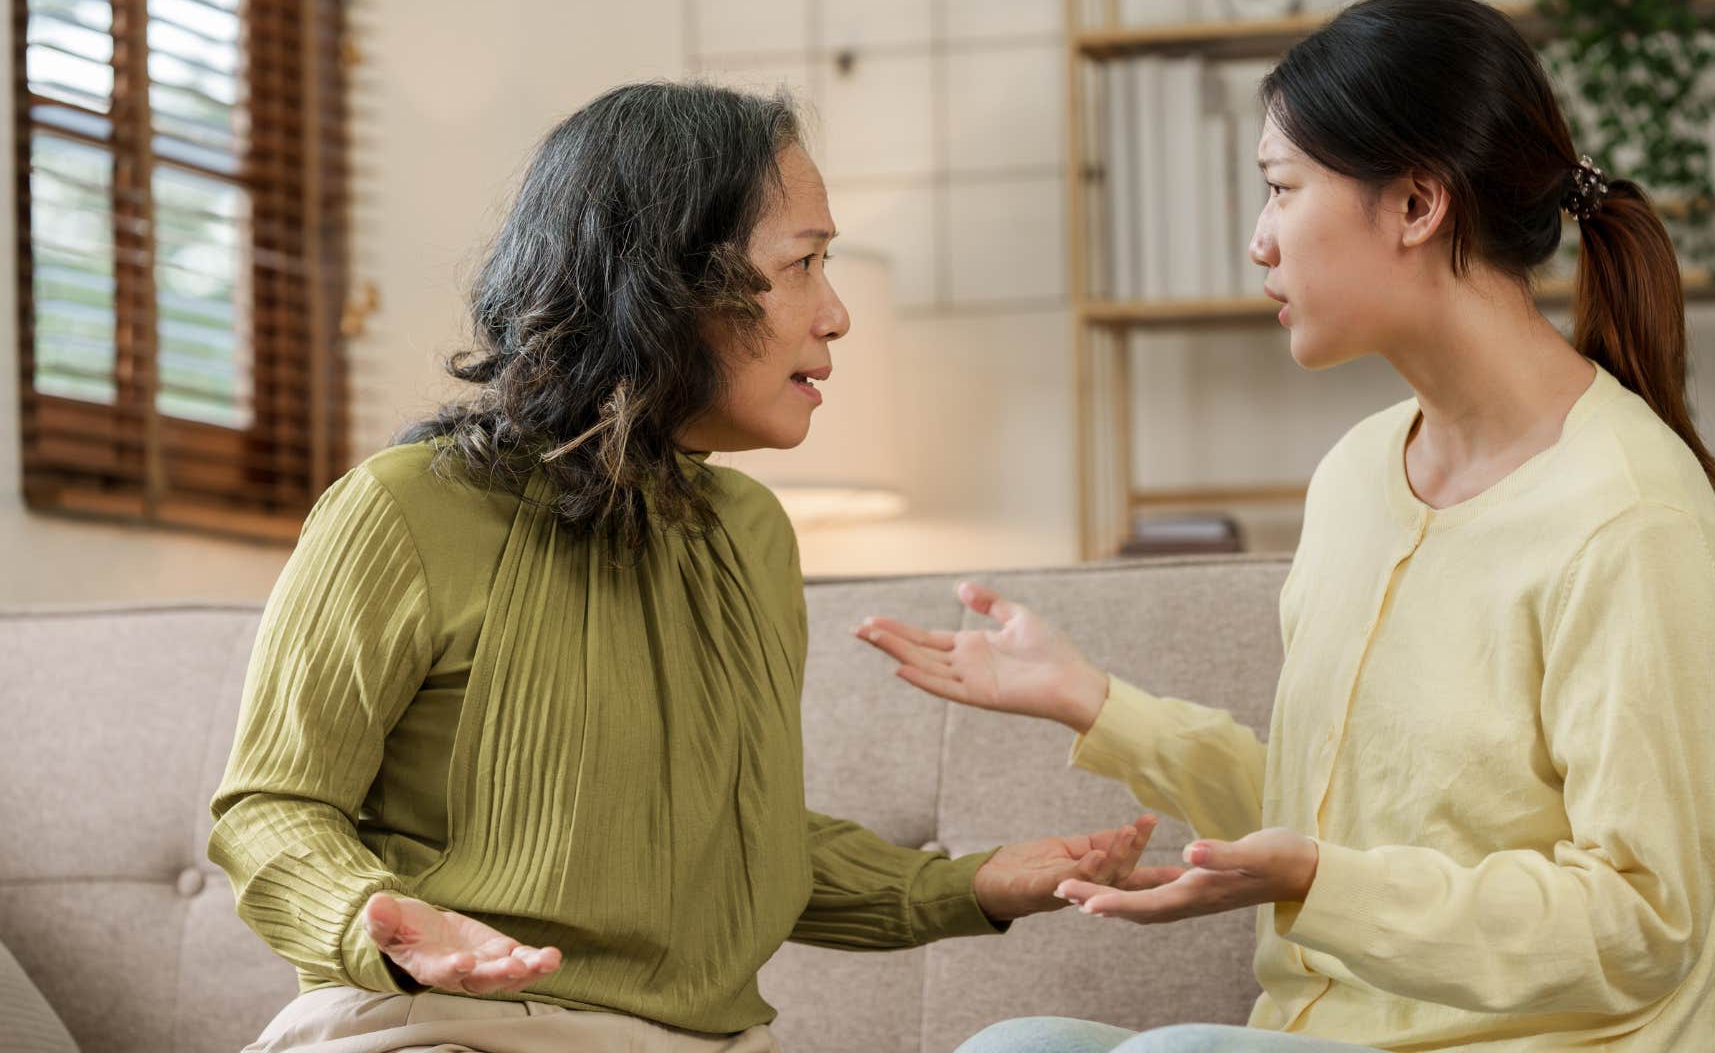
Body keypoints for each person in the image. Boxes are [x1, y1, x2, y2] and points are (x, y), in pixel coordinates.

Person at [857, 0, 1715, 1053]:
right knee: (1013, 1048)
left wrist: (1323, 883)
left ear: (1418, 205)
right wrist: (1092, 703)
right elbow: (1319, 826)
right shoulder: (1357, 477)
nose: (1258, 242)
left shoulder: (1630, 517)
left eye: (1282, 190)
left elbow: (1642, 922)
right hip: (1311, 1035)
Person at [210, 80, 1179, 1053]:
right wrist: (377, 922)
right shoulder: (403, 508)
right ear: (670, 280)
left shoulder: (750, 533)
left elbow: (730, 846)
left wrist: (971, 883)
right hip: (444, 1028)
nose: (836, 315)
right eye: (803, 264)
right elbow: (272, 809)